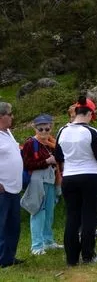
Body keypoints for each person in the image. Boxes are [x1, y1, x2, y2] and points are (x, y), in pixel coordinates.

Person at [55, 97, 97, 265]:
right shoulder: (91, 132)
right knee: (89, 215)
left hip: (69, 176)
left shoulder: (62, 130)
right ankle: (88, 254)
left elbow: (58, 156)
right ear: (89, 113)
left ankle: (71, 258)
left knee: (72, 216)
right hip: (91, 175)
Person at [20, 114, 62, 256]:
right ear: (35, 128)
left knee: (49, 212)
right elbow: (26, 164)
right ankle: (36, 245)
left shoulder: (52, 143)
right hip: (37, 181)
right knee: (38, 211)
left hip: (50, 179)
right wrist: (46, 162)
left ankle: (48, 241)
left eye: (47, 128)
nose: (44, 131)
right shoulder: (31, 143)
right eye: (41, 129)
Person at [0, 102, 23, 268]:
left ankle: (9, 257)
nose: (12, 117)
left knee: (13, 225)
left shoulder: (8, 133)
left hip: (14, 186)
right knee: (1, 224)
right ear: (1, 116)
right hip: (2, 187)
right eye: (10, 114)